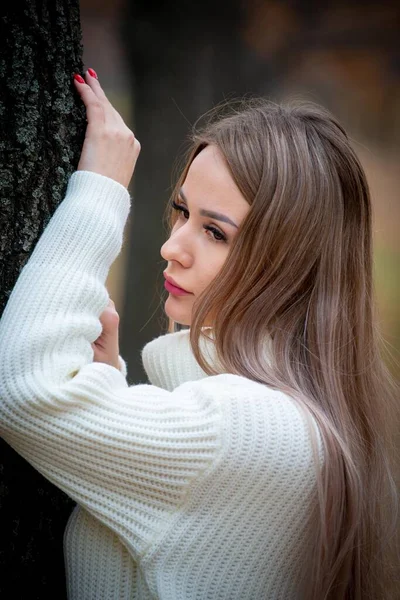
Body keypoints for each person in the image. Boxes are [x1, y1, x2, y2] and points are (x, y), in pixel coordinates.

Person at [0, 69, 397, 600]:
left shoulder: (246, 426)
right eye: (182, 211)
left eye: (215, 232)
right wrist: (105, 388)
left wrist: (99, 190)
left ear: (292, 265)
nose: (172, 247)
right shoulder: (307, 419)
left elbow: (24, 390)